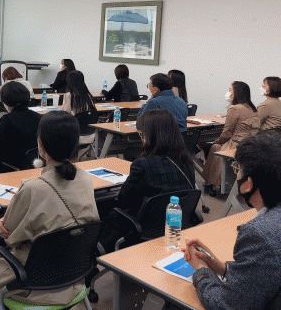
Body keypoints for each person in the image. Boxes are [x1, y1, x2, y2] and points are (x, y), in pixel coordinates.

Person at [0, 111, 100, 310]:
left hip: (35, 281)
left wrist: (2, 223)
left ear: (40, 145)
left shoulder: (33, 188)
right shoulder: (85, 178)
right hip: (74, 276)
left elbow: (8, 234)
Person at [184, 133, 281, 310]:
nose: (237, 174)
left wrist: (201, 270)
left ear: (248, 183)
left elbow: (226, 304)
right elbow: (267, 274)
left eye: (238, 169)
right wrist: (223, 268)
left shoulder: (259, 234)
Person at [99, 109, 196, 252]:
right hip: (173, 228)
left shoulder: (143, 164)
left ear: (150, 136)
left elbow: (123, 200)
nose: (141, 138)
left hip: (142, 228)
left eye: (141, 134)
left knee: (103, 206)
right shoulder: (187, 161)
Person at [203, 81, 260, 194]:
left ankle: (211, 182)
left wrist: (217, 141)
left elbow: (227, 132)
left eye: (230, 90)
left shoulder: (234, 108)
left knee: (215, 147)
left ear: (236, 92)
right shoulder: (253, 108)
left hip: (236, 144)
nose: (228, 93)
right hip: (251, 144)